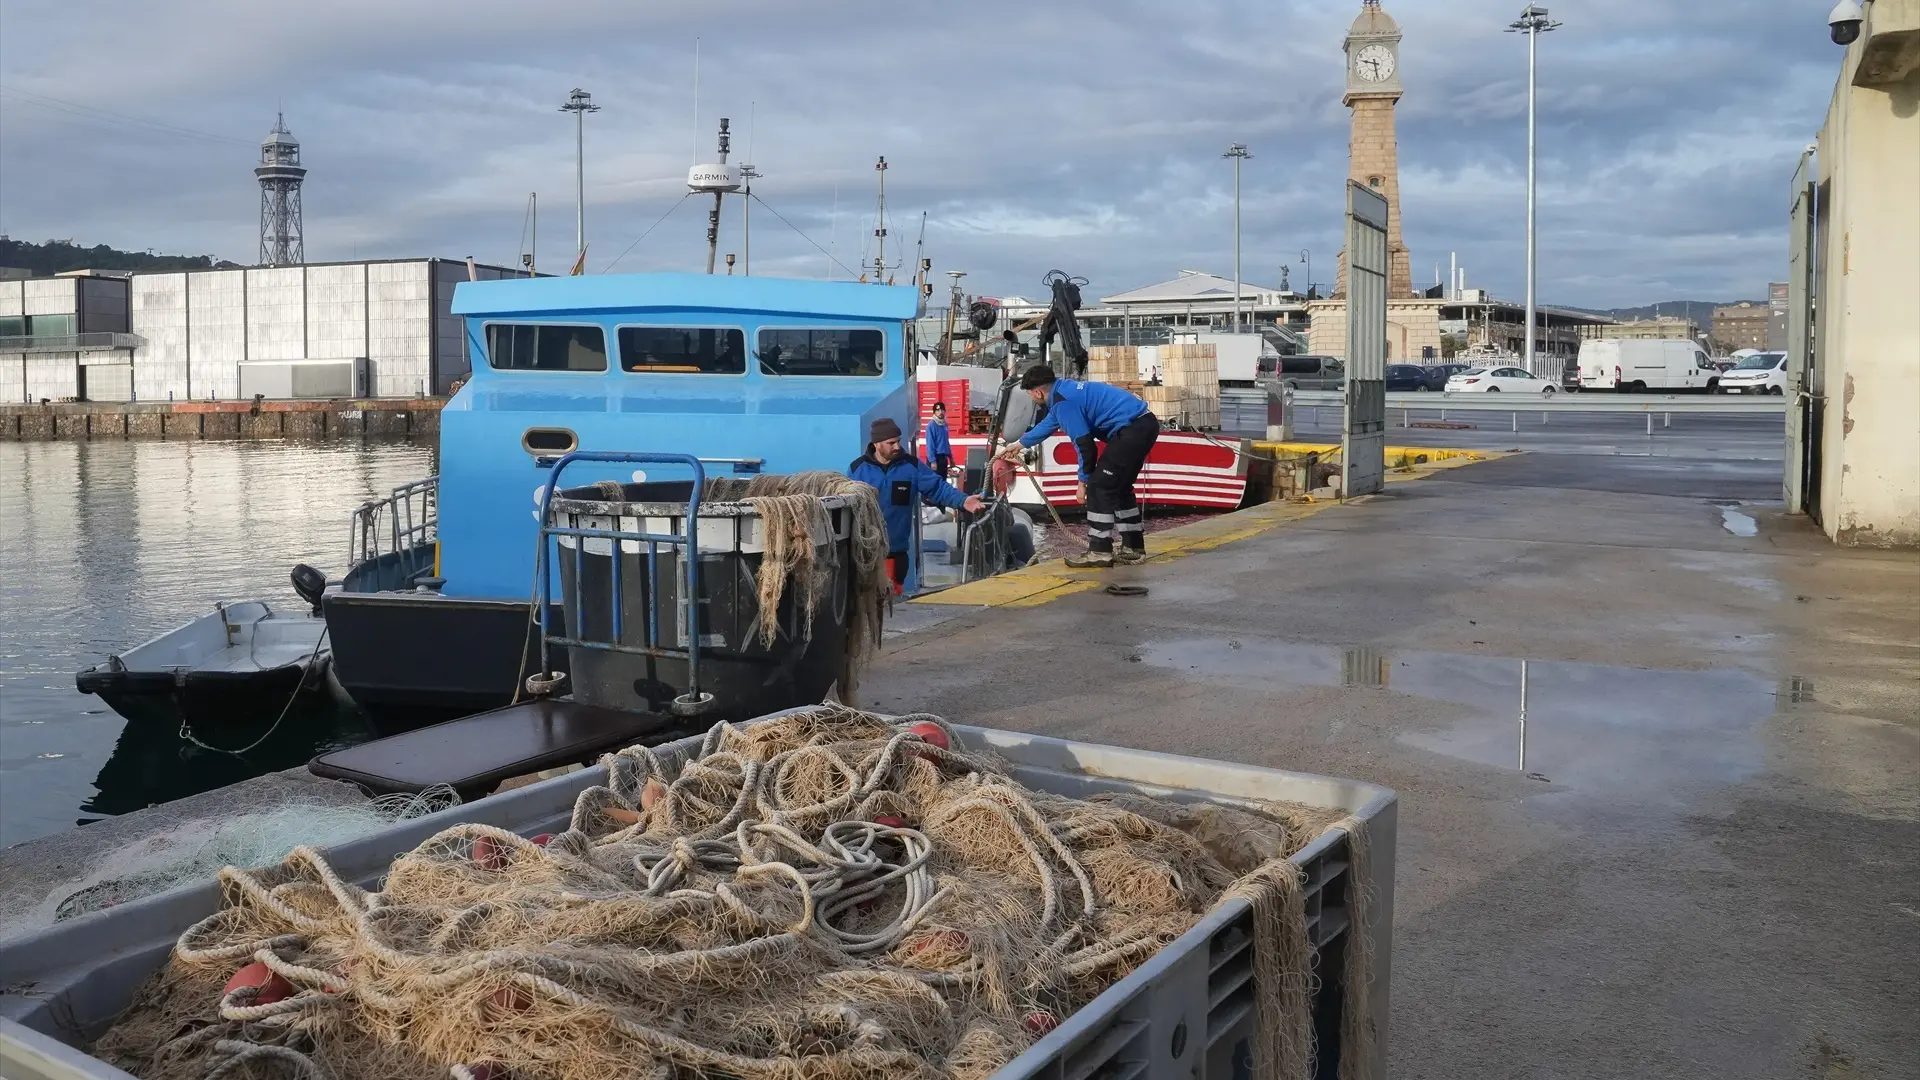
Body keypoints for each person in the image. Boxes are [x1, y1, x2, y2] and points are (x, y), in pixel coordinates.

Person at [997, 364, 1159, 568]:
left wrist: (1083, 481)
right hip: (1143, 424)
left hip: (1131, 430)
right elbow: (1047, 425)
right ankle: (1133, 547)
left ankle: (1100, 551)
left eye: (1030, 394)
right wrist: (1018, 445)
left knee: (1099, 487)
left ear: (1037, 392)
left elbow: (1085, 446)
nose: (1031, 399)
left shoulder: (1064, 403)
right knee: (1119, 487)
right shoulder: (1064, 391)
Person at [849, 417, 985, 592]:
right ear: (876, 444)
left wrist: (964, 500)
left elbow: (938, 488)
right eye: (891, 443)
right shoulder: (857, 470)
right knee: (864, 603)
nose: (897, 446)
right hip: (865, 553)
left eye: (898, 441)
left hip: (895, 554)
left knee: (891, 603)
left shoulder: (911, 467)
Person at [924, 402, 954, 478]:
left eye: (942, 410)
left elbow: (946, 442)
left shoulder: (945, 425)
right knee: (935, 482)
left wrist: (951, 458)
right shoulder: (931, 426)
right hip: (935, 459)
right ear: (934, 412)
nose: (940, 412)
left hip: (943, 459)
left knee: (943, 482)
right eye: (938, 410)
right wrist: (932, 461)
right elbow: (930, 444)